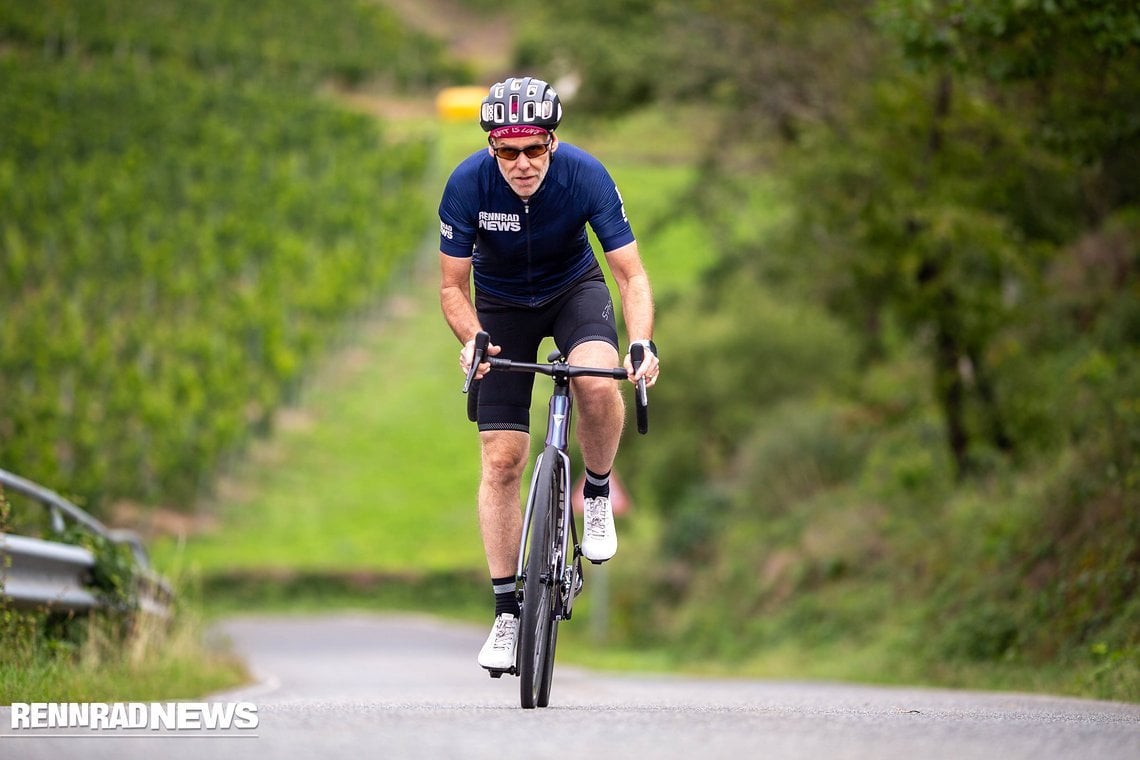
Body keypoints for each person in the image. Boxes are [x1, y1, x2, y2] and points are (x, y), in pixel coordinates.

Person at [437, 76, 660, 672]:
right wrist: (473, 337)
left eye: (534, 148)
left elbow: (631, 276)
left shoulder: (585, 175)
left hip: (572, 292)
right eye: (508, 150)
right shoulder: (466, 184)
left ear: (552, 142)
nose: (522, 163)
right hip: (502, 306)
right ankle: (508, 612)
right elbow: (453, 288)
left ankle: (594, 491)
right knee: (501, 458)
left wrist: (640, 343)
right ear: (492, 149)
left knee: (594, 375)